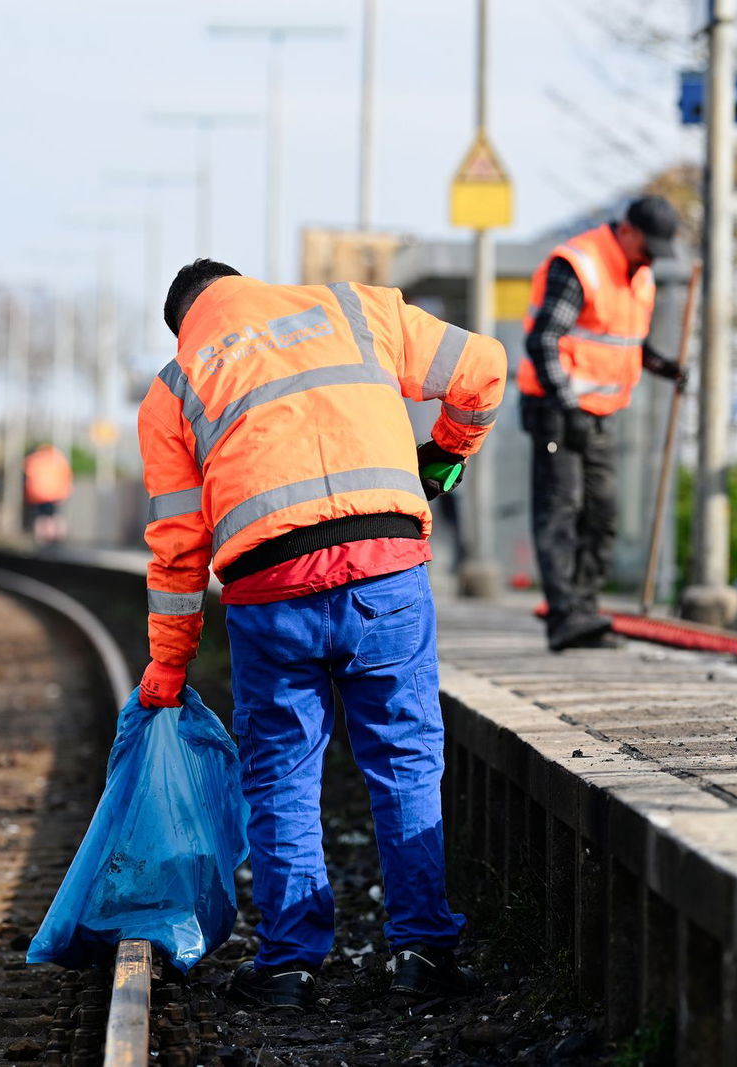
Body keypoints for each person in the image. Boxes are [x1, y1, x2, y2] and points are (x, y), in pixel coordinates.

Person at [135, 259, 505, 1009]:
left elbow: (178, 550)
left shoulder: (176, 384)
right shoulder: (357, 309)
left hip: (271, 591)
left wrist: (167, 672)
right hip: (385, 568)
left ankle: (288, 965)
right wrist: (444, 451)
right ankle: (421, 955)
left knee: (281, 772)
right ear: (249, 286)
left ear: (186, 323)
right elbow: (485, 369)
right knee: (405, 756)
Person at [519, 194, 686, 651]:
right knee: (562, 511)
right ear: (627, 230)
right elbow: (544, 340)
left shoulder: (642, 275)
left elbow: (622, 342)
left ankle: (586, 610)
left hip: (597, 414)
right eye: (647, 246)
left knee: (603, 512)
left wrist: (664, 366)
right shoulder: (580, 264)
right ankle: (564, 616)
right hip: (556, 409)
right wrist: (567, 405)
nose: (651, 257)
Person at [22, 442, 72, 544]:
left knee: (41, 516)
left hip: (38, 494)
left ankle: (42, 537)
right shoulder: (59, 459)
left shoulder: (34, 460)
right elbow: (67, 476)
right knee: (54, 515)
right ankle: (56, 537)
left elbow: (28, 474)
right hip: (56, 494)